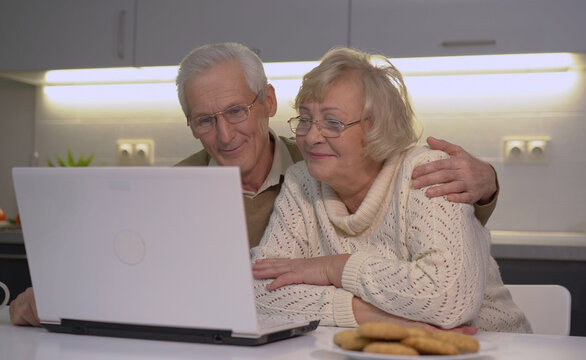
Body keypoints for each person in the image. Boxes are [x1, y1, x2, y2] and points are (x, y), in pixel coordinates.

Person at [10, 42, 498, 327]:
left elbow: (448, 287)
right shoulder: (183, 189)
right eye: (205, 120)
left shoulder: (317, 164)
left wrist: (329, 267)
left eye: (236, 112)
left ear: (265, 102)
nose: (224, 135)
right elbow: (256, 288)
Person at [251, 47, 531, 332]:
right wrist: (375, 317)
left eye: (333, 122)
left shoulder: (426, 172)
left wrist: (333, 268)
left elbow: (448, 300)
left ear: (377, 129)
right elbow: (256, 290)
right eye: (305, 119)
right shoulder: (302, 182)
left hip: (490, 347)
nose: (310, 137)